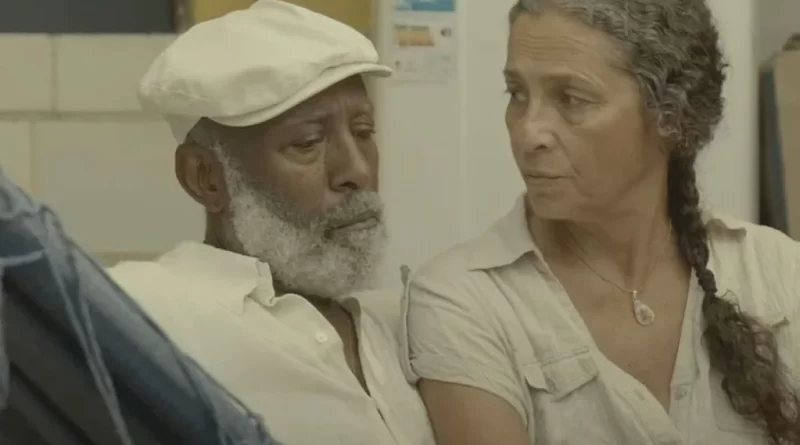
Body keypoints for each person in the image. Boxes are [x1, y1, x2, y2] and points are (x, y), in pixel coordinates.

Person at [401, 1, 800, 444]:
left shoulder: (778, 273)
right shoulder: (463, 300)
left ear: (671, 114)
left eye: (571, 99)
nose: (527, 133)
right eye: (516, 93)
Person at [106, 1, 434, 445]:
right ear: (206, 178)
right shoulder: (146, 312)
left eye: (364, 132)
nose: (357, 170)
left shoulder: (402, 326)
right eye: (309, 142)